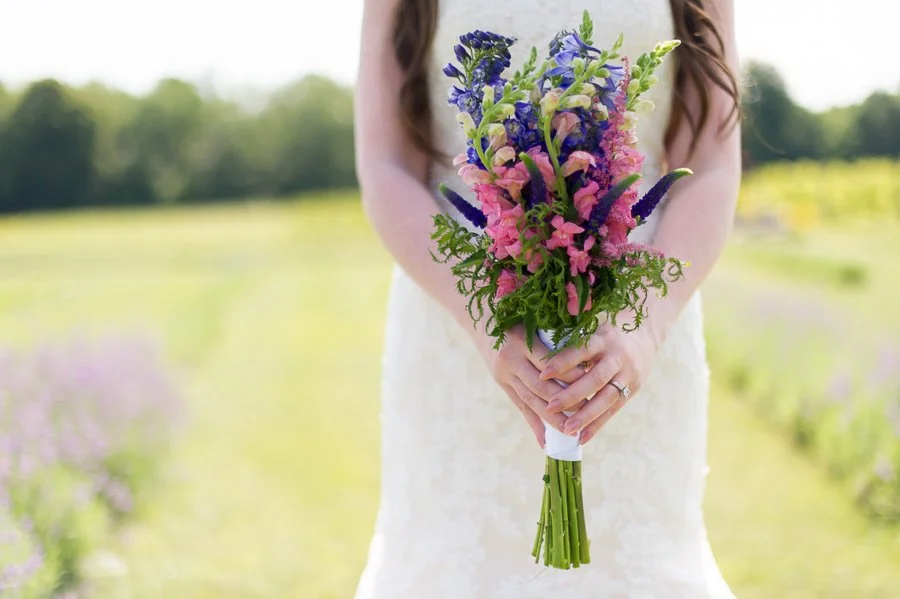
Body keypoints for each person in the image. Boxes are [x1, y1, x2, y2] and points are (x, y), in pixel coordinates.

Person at [353, 0, 742, 596]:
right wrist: (485, 317)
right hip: (456, 318)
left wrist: (648, 327)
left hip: (633, 321)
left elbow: (709, 162)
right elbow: (386, 165)